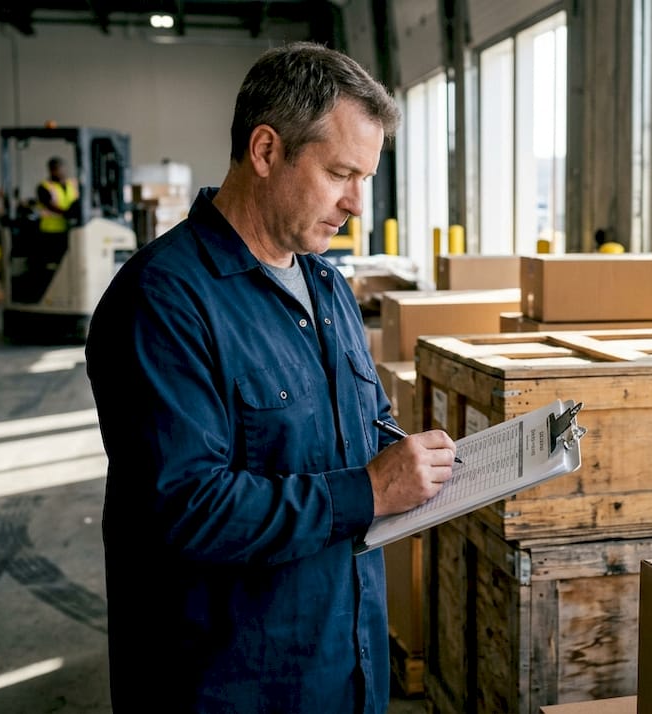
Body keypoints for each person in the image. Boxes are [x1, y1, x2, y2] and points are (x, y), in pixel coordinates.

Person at [85, 42, 458, 712]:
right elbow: (187, 507)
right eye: (341, 173)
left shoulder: (328, 285)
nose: (354, 204)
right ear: (266, 151)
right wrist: (369, 490)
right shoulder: (163, 301)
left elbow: (360, 425)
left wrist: (417, 465)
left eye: (364, 179)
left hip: (346, 662)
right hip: (233, 683)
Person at [37, 156, 79, 234]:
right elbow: (49, 205)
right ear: (51, 170)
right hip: (51, 229)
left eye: (63, 168)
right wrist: (67, 213)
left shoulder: (73, 184)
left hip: (71, 228)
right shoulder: (44, 186)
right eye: (58, 169)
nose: (62, 172)